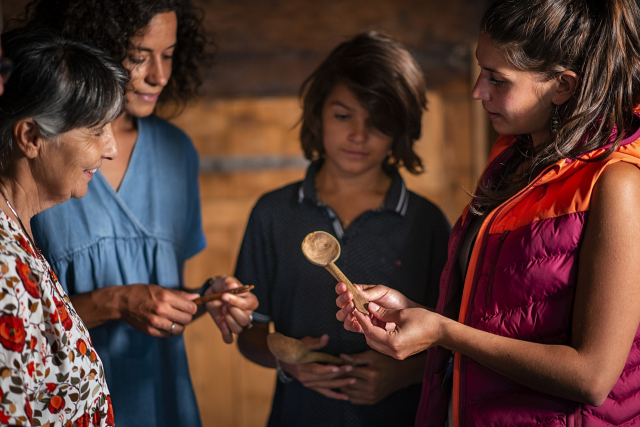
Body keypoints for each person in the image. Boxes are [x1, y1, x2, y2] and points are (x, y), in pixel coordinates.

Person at [336, 1, 640, 426]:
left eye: (498, 80)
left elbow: (592, 377)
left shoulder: (616, 184)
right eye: (482, 70)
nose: (478, 91)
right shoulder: (511, 159)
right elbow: (501, 319)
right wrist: (416, 315)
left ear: (563, 86)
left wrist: (442, 331)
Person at [22, 1, 258, 426]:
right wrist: (114, 302)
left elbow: (158, 296)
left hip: (160, 396)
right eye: (138, 56)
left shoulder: (176, 152)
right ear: (94, 51)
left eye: (168, 55)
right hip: (65, 400)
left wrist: (206, 297)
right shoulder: (43, 154)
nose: (159, 76)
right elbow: (18, 314)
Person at [236, 32, 451, 427]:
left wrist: (403, 373)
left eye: (378, 121)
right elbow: (250, 332)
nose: (358, 135)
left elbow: (452, 340)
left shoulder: (426, 223)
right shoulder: (273, 214)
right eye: (342, 115)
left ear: (402, 128)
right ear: (318, 114)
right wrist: (289, 363)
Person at [0, 28, 127, 426]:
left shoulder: (19, 227)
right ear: (31, 137)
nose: (111, 149)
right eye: (96, 130)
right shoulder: (4, 265)